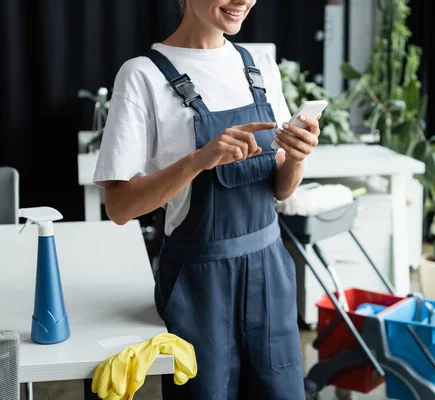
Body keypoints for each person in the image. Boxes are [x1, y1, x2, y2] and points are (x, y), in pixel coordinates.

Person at [92, 0, 320, 398]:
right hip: (199, 284)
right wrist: (199, 160)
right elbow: (119, 207)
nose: (242, 2)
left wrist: (297, 158)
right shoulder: (142, 75)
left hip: (271, 273)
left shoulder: (258, 65)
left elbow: (281, 189)